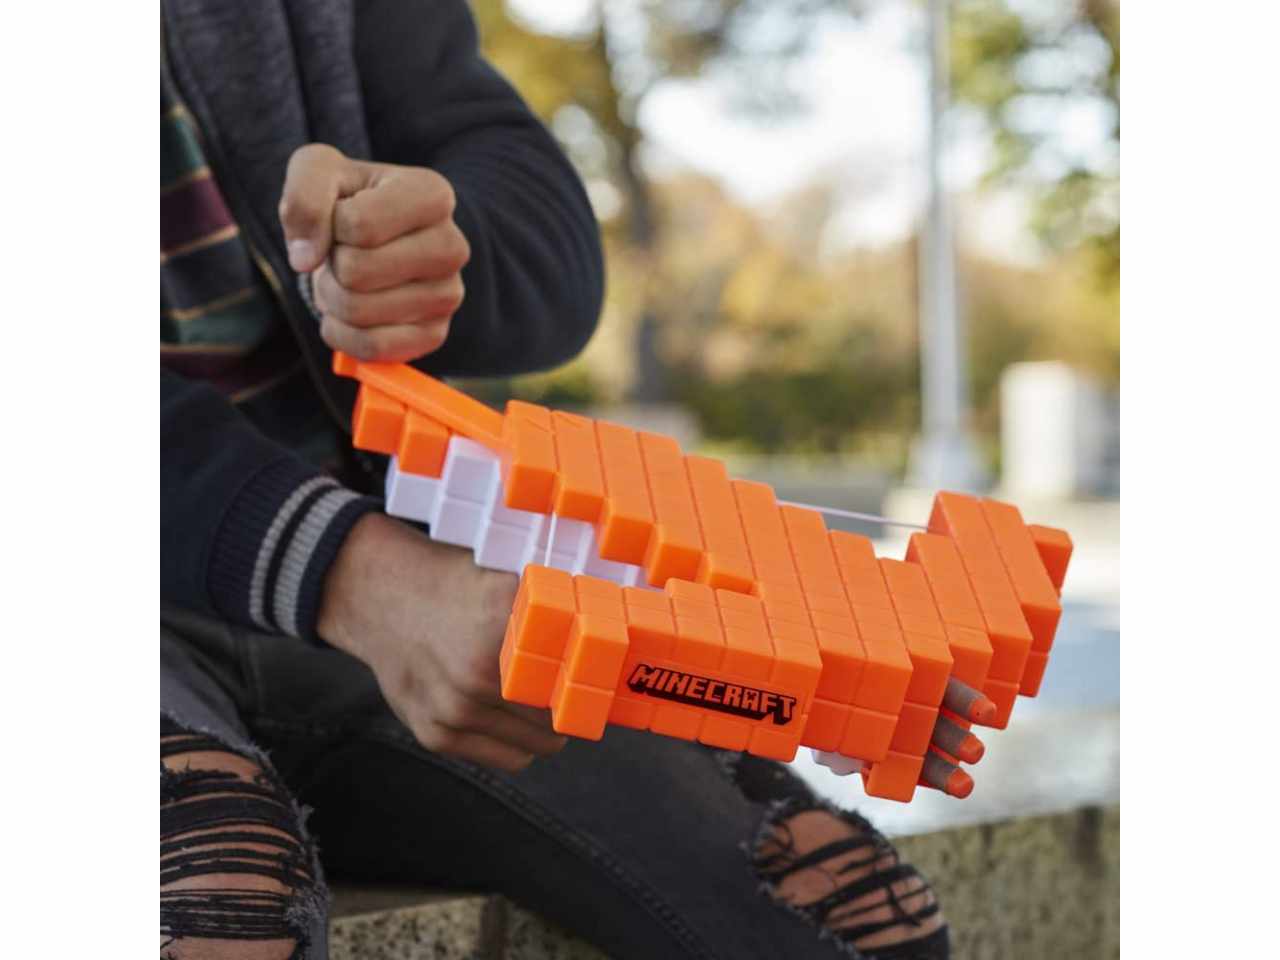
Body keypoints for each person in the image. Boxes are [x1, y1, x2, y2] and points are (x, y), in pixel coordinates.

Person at [160, 1, 949, 957]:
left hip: (385, 592)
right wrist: (352, 574)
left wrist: (440, 247)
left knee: (850, 909)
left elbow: (538, 220)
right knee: (217, 900)